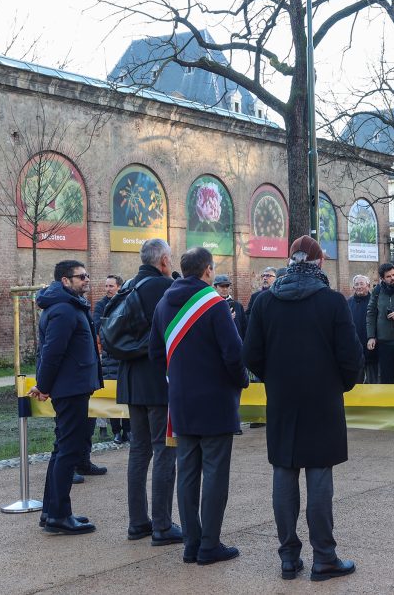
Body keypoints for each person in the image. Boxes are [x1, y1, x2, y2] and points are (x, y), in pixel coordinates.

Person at [243, 235, 362, 582]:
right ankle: (324, 557)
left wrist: (275, 378)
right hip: (322, 397)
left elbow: (250, 354)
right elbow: (351, 357)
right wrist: (339, 384)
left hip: (283, 397)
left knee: (284, 470)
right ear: (319, 262)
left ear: (289, 262)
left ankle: (288, 557)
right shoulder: (332, 302)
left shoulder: (265, 301)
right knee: (319, 473)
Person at [149, 247, 249, 566]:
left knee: (187, 473)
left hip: (180, 400)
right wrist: (241, 381)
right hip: (216, 401)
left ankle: (191, 544)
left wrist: (176, 378)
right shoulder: (214, 303)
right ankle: (210, 545)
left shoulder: (163, 303)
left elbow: (154, 354)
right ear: (207, 270)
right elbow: (233, 353)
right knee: (215, 473)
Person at [29, 260, 103, 535]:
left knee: (62, 449)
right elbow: (52, 352)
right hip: (70, 389)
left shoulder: (69, 306)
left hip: (73, 386)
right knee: (68, 451)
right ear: (65, 280)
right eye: (81, 276)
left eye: (87, 275)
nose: (86, 280)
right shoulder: (63, 309)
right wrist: (43, 385)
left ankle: (51, 511)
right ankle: (59, 515)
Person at [116, 239, 182, 546]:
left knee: (139, 451)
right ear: (164, 260)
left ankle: (138, 522)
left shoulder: (129, 285)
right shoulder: (165, 288)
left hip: (131, 379)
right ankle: (163, 525)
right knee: (165, 450)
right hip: (157, 381)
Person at [94, 274, 129, 444]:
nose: (108, 289)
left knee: (126, 393)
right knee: (112, 395)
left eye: (111, 286)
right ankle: (116, 431)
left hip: (124, 353)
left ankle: (128, 430)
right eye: (106, 286)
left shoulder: (127, 302)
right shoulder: (101, 304)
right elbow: (98, 325)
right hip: (108, 355)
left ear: (119, 287)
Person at [347, 275, 378, 384]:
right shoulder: (348, 303)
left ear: (368, 286)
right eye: (356, 284)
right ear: (353, 287)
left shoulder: (375, 302)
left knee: (373, 384)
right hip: (355, 350)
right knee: (355, 385)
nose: (359, 286)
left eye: (361, 284)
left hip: (372, 350)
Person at [214, 275, 246, 339]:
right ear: (215, 287)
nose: (225, 289)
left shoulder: (238, 306)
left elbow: (244, 327)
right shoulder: (211, 306)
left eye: (227, 286)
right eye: (222, 286)